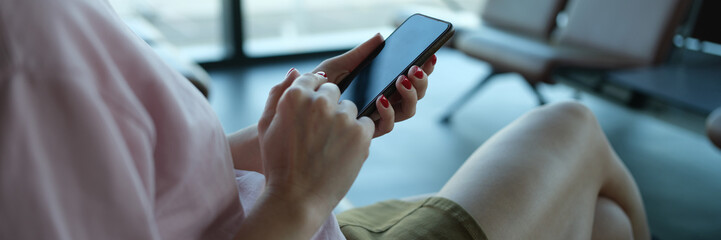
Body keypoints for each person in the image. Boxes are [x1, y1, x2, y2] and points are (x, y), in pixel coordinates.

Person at [0, 0, 650, 239]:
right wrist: (299, 191)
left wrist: (271, 138)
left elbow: (143, 187)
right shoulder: (32, 46)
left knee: (601, 223)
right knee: (570, 127)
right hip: (287, 219)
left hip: (277, 213)